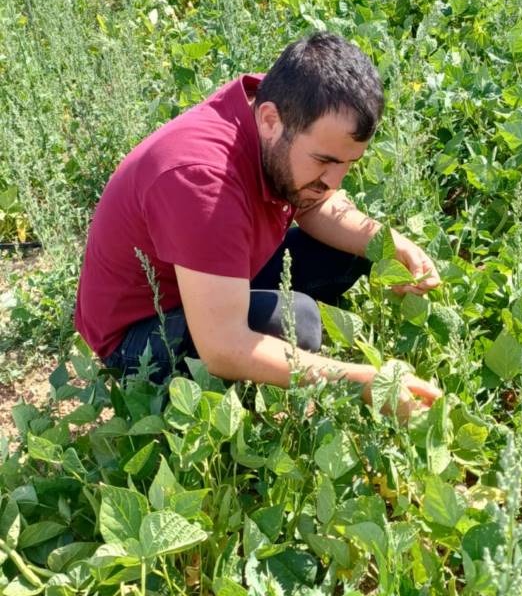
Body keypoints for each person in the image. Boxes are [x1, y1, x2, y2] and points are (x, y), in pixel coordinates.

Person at [74, 31, 441, 417]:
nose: (335, 182)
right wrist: (360, 382)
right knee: (298, 321)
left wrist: (392, 243)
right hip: (139, 336)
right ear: (270, 120)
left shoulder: (284, 110)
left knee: (356, 250)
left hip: (209, 271)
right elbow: (223, 347)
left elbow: (317, 205)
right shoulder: (203, 182)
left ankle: (280, 346)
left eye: (348, 164)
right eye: (324, 161)